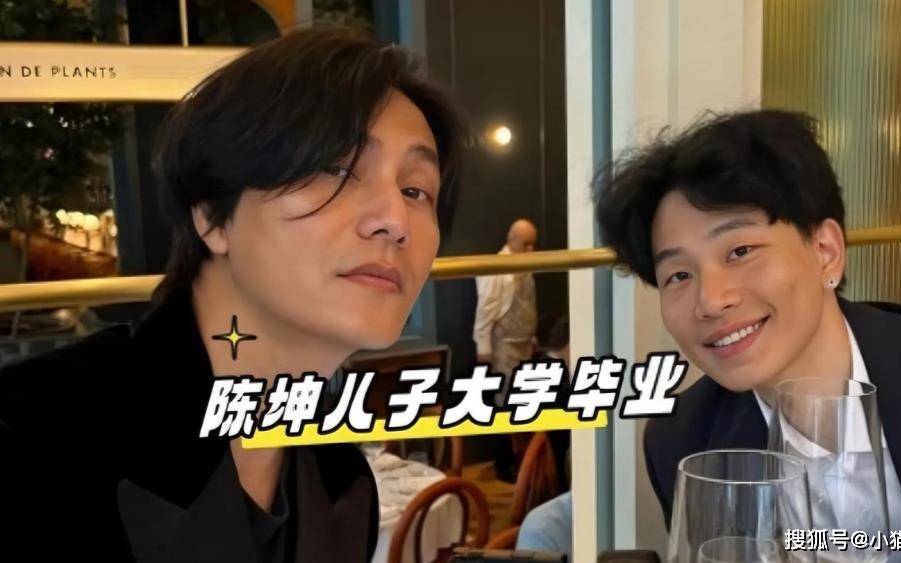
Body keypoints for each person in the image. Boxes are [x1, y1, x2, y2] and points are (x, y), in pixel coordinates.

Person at [0, 28, 463, 562]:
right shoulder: (32, 436)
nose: (395, 220)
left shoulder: (343, 483)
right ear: (211, 213)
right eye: (336, 169)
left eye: (415, 190)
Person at [594, 110, 901, 563]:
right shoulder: (684, 441)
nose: (710, 301)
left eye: (740, 251)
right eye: (678, 275)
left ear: (825, 252)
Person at [473, 218, 539, 379]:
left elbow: (528, 303)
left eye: (532, 244)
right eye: (525, 244)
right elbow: (485, 308)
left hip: (525, 343)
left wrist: (531, 336)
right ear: (512, 239)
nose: (530, 249)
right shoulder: (497, 266)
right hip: (504, 346)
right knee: (507, 389)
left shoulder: (526, 265)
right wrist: (483, 348)